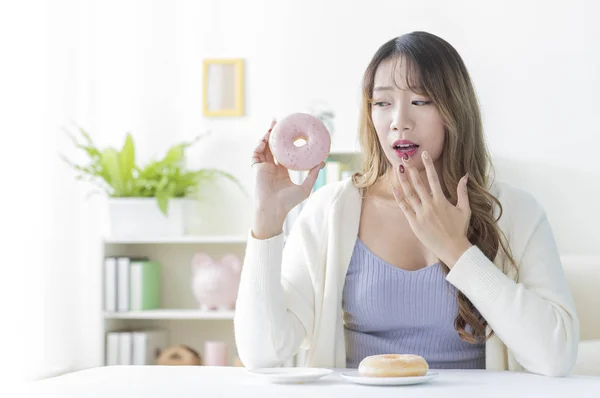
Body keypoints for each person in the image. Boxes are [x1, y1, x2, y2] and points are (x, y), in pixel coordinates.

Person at [233, 31, 579, 377]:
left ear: (455, 109)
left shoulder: (516, 211)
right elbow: (262, 353)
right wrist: (267, 220)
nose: (399, 120)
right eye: (382, 103)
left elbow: (555, 356)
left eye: (421, 100)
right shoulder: (330, 211)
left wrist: (457, 250)